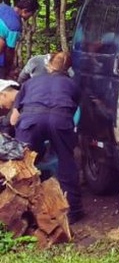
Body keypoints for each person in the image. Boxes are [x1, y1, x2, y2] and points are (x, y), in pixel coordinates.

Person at [12, 52, 84, 222]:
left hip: (30, 121)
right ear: (69, 69)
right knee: (66, 162)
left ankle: (23, 214)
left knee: (23, 164)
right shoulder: (73, 85)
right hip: (60, 121)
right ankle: (73, 211)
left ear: (48, 66)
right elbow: (75, 112)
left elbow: (14, 118)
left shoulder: (30, 83)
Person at [0, 0, 38, 79]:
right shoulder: (15, 26)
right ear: (24, 11)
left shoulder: (2, 6)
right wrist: (9, 69)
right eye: (30, 15)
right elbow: (9, 51)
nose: (29, 17)